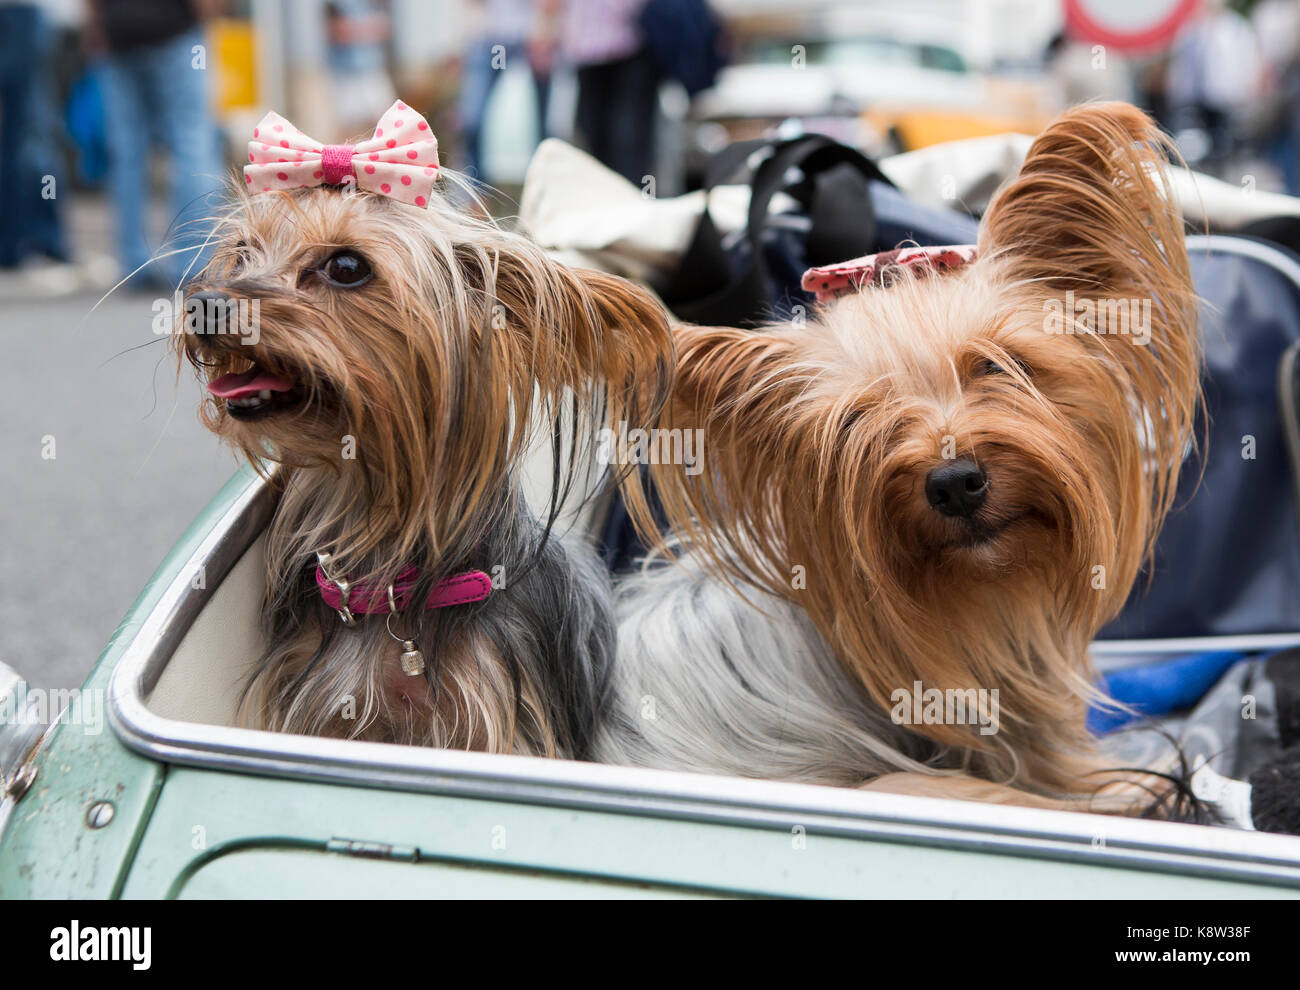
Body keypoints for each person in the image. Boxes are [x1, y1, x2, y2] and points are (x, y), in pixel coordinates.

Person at [87, 0, 224, 289]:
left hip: (119, 35)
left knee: (127, 154)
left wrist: (97, 26)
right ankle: (194, 262)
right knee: (193, 145)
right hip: (174, 28)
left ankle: (134, 263)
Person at [0, 1, 70, 269]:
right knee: (32, 133)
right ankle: (41, 239)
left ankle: (13, 243)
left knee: (21, 135)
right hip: (21, 13)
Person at [457, 0, 556, 183]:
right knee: (473, 121)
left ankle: (544, 185)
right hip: (491, 39)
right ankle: (477, 193)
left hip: (533, 36)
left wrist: (545, 28)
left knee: (544, 126)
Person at [562, 0, 658, 185]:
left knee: (629, 136)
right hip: (586, 51)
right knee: (592, 132)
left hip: (633, 46)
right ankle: (605, 197)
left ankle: (633, 199)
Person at [325, 0, 395, 139]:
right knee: (348, 125)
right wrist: (368, 28)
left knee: (386, 119)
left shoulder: (370, 7)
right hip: (346, 73)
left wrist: (357, 29)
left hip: (371, 68)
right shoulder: (341, 5)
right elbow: (338, 31)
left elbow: (385, 29)